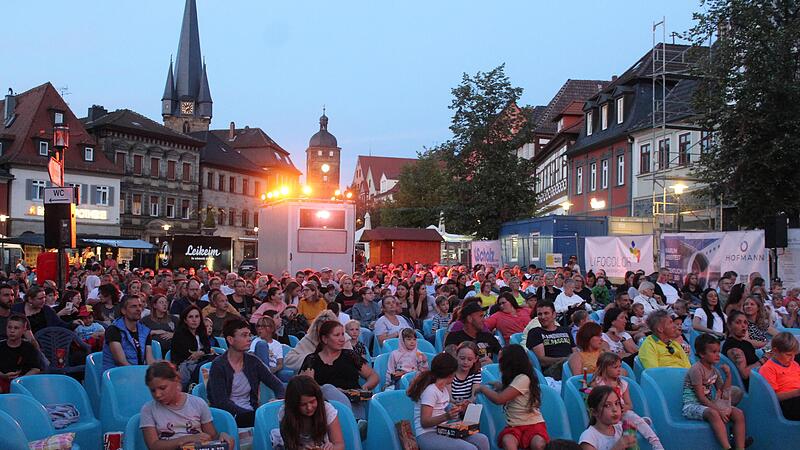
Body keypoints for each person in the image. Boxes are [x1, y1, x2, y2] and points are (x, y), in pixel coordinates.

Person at [207, 317, 285, 427]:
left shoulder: (253, 362)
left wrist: (278, 400)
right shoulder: (219, 365)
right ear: (230, 340)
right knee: (268, 420)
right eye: (244, 335)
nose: (249, 339)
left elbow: (276, 384)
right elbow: (221, 402)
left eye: (249, 335)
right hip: (229, 416)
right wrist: (253, 414)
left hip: (252, 413)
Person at [140, 361, 234, 449]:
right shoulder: (149, 410)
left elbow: (212, 436)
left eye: (162, 388)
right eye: (153, 390)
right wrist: (185, 440)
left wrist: (223, 437)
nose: (157, 394)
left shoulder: (198, 403)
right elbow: (153, 445)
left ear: (176, 381)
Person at [407, 352, 490, 450]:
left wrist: (459, 408)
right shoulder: (431, 390)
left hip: (442, 430)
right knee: (468, 448)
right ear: (450, 374)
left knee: (482, 439)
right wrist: (446, 416)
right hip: (427, 434)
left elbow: (442, 408)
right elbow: (424, 422)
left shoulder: (444, 389)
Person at [299, 320, 379, 421]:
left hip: (354, 402)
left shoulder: (350, 355)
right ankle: (353, 421)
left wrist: (364, 387)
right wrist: (337, 392)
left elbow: (373, 376)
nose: (342, 339)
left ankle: (354, 421)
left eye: (343, 334)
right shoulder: (312, 360)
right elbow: (308, 387)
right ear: (325, 339)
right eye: (337, 335)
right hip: (327, 406)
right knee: (328, 389)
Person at [682, 333, 749, 450]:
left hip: (708, 405)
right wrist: (719, 410)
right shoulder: (696, 370)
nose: (718, 355)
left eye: (718, 351)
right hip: (692, 405)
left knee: (738, 413)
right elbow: (701, 397)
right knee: (714, 413)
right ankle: (727, 447)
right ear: (702, 354)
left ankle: (740, 447)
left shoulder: (715, 371)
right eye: (713, 352)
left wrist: (728, 375)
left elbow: (723, 392)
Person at [477, 344, 548, 450]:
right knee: (508, 442)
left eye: (501, 362)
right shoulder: (515, 378)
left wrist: (483, 389)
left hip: (533, 425)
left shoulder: (523, 378)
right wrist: (500, 386)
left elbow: (499, 399)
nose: (499, 365)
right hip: (515, 426)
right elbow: (513, 389)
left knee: (538, 444)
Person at [590, 353, 662, 449]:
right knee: (621, 428)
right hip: (606, 415)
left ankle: (655, 442)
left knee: (634, 418)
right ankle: (635, 424)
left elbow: (629, 404)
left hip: (623, 413)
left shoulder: (623, 384)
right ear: (604, 368)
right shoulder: (598, 383)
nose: (619, 370)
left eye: (620, 366)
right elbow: (594, 400)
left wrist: (624, 407)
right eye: (615, 367)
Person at [277, 375, 345, 450]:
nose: (309, 408)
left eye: (312, 402)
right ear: (294, 405)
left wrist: (332, 448)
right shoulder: (285, 413)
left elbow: (339, 444)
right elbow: (288, 445)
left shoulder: (327, 410)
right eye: (303, 404)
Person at [284, 310, 351, 371]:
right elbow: (289, 360)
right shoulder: (309, 339)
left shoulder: (344, 339)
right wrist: (313, 360)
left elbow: (352, 363)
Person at [102, 295, 154, 371]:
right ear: (123, 310)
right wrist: (138, 375)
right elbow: (121, 362)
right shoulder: (114, 330)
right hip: (118, 375)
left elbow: (150, 360)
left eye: (140, 306)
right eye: (133, 306)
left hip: (137, 374)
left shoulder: (145, 331)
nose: (138, 309)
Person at [526, 301, 575, 380]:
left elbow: (575, 351)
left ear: (554, 314)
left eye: (546, 313)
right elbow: (542, 360)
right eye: (539, 314)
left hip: (571, 364)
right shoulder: (535, 332)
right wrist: (565, 360)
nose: (543, 317)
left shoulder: (565, 330)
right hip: (551, 370)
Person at [578, 385, 637, 450]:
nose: (615, 409)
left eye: (617, 403)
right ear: (594, 412)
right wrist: (617, 447)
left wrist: (630, 439)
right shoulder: (589, 438)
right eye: (607, 405)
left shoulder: (620, 429)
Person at [171, 305, 216, 389]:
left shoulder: (202, 331)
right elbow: (188, 355)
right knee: (206, 367)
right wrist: (204, 352)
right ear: (185, 320)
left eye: (197, 316)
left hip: (201, 362)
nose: (194, 320)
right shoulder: (179, 334)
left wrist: (201, 353)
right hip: (185, 365)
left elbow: (207, 347)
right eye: (191, 317)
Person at [759, 331, 800, 420]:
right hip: (785, 403)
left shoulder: (795, 364)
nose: (792, 358)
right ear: (775, 351)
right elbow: (772, 398)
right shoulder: (768, 369)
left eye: (794, 355)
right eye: (788, 355)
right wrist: (797, 393)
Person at [0, 315, 42, 393]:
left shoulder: (29, 348)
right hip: (2, 379)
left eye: (16, 328)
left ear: (24, 330)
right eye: (9, 327)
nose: (12, 331)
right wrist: (3, 375)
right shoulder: (1, 346)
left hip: (23, 380)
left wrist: (19, 380)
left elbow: (36, 369)